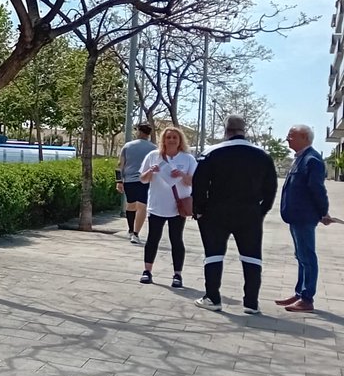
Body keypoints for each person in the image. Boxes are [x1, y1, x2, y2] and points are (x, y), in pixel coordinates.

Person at [191, 115, 278, 313]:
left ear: (226, 130)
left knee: (213, 255)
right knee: (252, 257)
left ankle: (213, 297)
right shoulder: (262, 155)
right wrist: (261, 211)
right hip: (249, 213)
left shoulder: (211, 153)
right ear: (244, 130)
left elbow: (199, 184)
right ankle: (251, 303)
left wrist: (200, 210)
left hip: (216, 212)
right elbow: (271, 187)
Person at [276, 124, 331, 313]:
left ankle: (307, 298)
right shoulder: (300, 158)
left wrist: (323, 212)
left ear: (305, 138)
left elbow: (317, 189)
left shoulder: (312, 160)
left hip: (304, 216)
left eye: (291, 136)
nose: (287, 138)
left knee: (307, 256)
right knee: (301, 256)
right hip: (295, 216)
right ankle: (300, 293)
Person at [137, 126, 197, 288]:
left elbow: (194, 182)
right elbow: (142, 179)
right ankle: (147, 271)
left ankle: (177, 274)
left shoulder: (188, 159)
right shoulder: (153, 156)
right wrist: (151, 171)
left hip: (178, 206)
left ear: (180, 141)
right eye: (168, 137)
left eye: (174, 138)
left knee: (176, 239)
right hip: (157, 205)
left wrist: (182, 175)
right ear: (163, 139)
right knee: (153, 238)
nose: (171, 140)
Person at [117, 122, 155, 245]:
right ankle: (135, 233)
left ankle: (131, 230)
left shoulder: (128, 146)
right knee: (142, 207)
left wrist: (119, 181)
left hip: (129, 180)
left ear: (139, 131)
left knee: (131, 205)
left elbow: (120, 165)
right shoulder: (154, 148)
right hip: (146, 181)